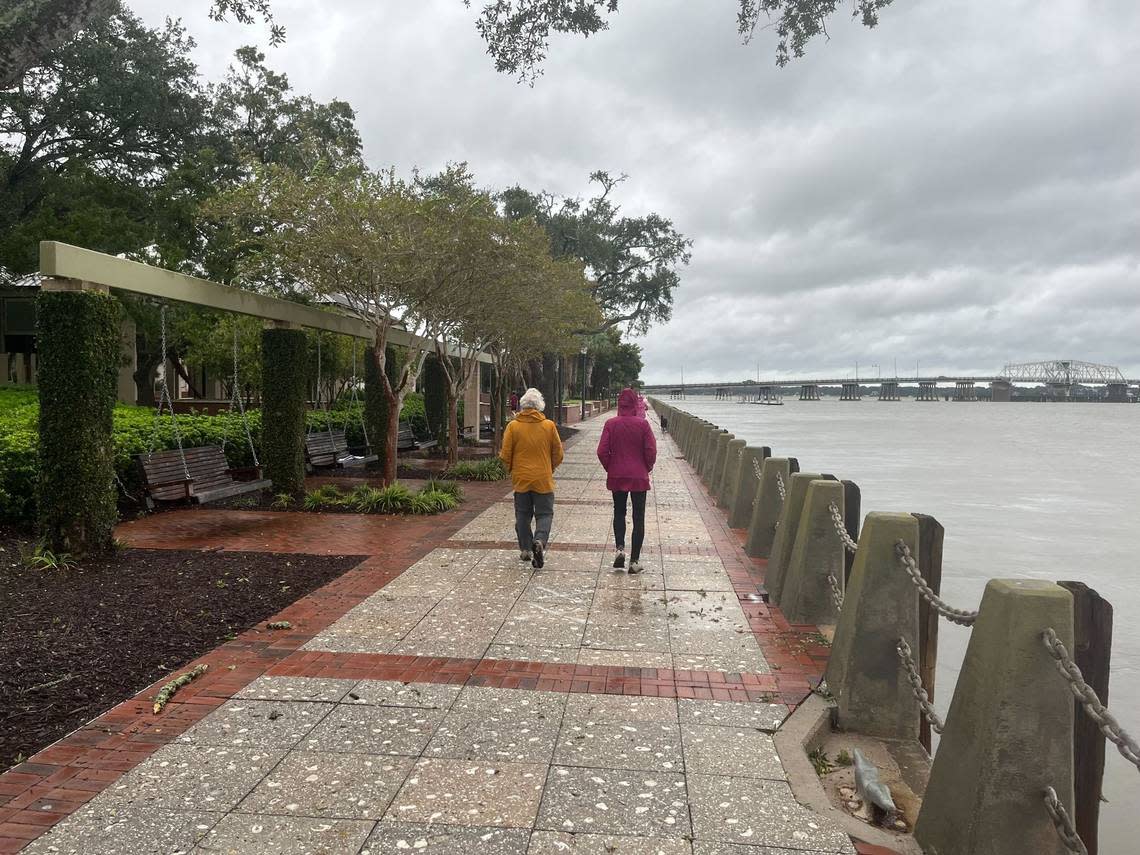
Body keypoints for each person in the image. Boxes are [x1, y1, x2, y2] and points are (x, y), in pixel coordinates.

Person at [500, 387, 563, 569]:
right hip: (543, 479)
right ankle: (540, 541)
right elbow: (558, 453)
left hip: (521, 479)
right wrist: (548, 468)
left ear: (523, 406)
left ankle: (526, 549)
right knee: (544, 513)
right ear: (539, 406)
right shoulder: (549, 426)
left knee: (522, 514)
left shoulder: (513, 426)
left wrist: (512, 469)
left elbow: (505, 454)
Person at [597, 387, 657, 573]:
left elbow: (601, 451)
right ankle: (635, 561)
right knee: (638, 517)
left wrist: (611, 467)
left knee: (619, 512)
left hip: (617, 475)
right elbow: (651, 450)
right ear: (634, 404)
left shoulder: (610, 423)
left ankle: (620, 549)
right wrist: (647, 467)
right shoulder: (643, 425)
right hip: (638, 476)